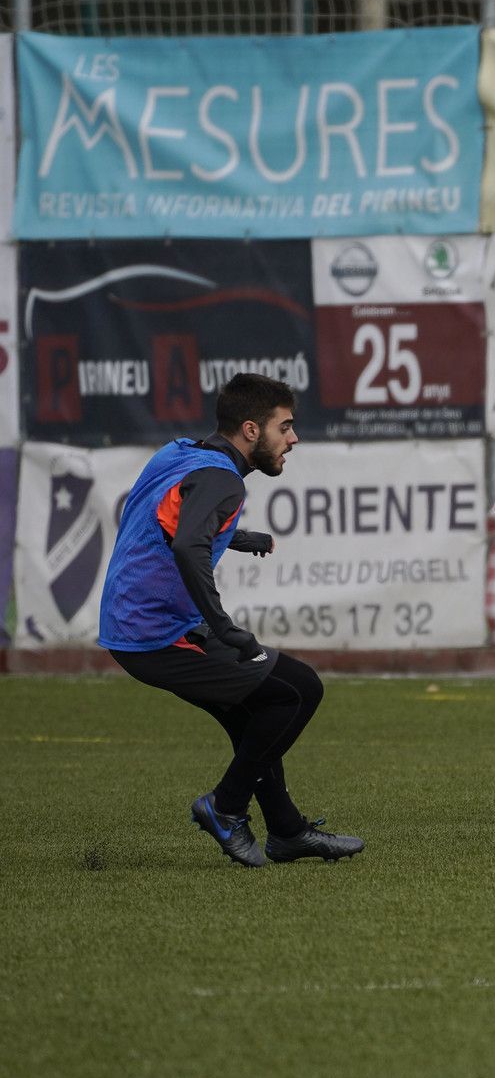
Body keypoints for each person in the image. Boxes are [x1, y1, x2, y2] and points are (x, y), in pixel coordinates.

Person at [99, 372, 362, 868]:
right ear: (250, 430)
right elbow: (187, 544)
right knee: (298, 690)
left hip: (135, 625)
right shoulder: (222, 479)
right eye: (284, 427)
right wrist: (224, 627)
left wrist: (237, 538)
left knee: (255, 713)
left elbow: (160, 516)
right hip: (156, 634)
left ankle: (287, 832)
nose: (293, 438)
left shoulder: (180, 452)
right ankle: (225, 807)